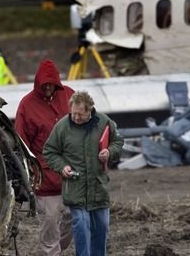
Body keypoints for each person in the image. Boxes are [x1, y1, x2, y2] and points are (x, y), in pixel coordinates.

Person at [43, 90, 124, 256]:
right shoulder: (62, 126)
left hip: (98, 186)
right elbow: (49, 151)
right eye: (73, 113)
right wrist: (62, 167)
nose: (76, 117)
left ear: (90, 111)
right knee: (81, 225)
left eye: (80, 114)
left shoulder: (104, 122)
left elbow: (118, 141)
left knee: (102, 226)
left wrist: (109, 151)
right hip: (75, 186)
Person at [14, 59, 74, 256]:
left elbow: (87, 120)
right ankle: (51, 253)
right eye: (44, 84)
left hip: (72, 171)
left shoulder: (69, 95)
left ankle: (56, 249)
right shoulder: (27, 105)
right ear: (38, 83)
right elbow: (21, 141)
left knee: (73, 217)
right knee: (49, 220)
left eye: (52, 84)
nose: (48, 88)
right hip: (44, 174)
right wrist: (29, 170)